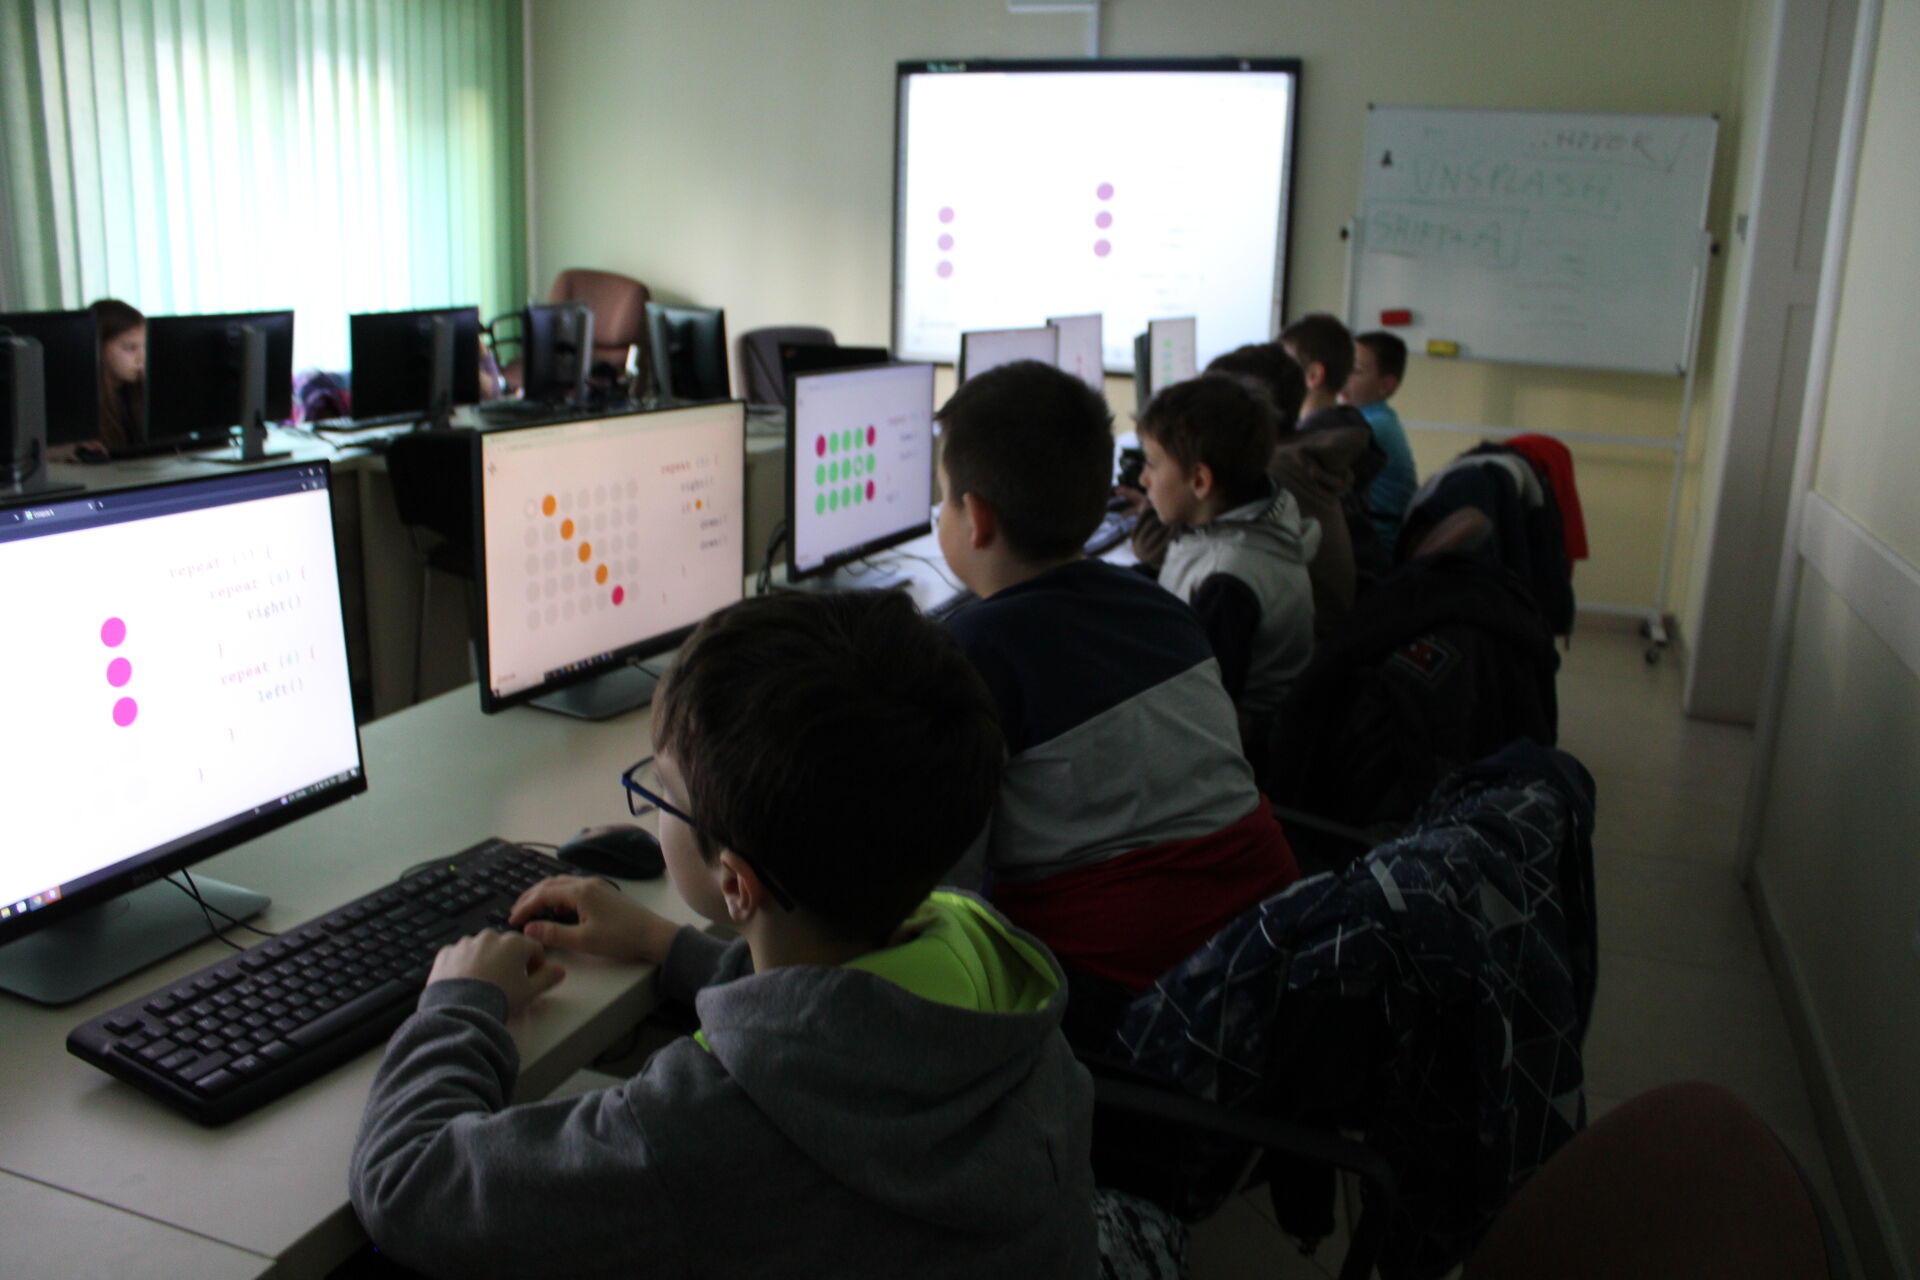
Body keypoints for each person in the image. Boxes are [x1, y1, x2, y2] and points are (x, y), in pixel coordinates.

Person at [349, 590, 1098, 1279]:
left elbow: (407, 1187)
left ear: (736, 884)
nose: (654, 807)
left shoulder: (698, 1130)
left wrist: (459, 1006)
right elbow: (849, 1023)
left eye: (662, 791)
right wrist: (668, 946)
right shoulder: (991, 963)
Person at [934, 359, 1299, 1045]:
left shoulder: (972, 654)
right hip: (1266, 948)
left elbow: (940, 898)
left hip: (1140, 1006)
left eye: (944, 498)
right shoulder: (1161, 608)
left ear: (975, 518)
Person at [1134, 373, 1318, 725]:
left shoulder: (1228, 582)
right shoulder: (1258, 515)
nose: (1143, 480)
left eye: (1152, 464)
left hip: (1241, 741)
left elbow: (1200, 709)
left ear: (1200, 481)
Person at [1280, 312, 1390, 583]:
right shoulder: (1347, 426)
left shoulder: (1311, 444)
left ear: (1314, 375)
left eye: (1282, 363)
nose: (1275, 371)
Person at [1344, 330, 1419, 550]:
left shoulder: (1372, 427)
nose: (1343, 376)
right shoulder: (1372, 418)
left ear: (1385, 386)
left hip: (1374, 547)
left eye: (1355, 371)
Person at [93, 298, 145, 451]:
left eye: (144, 346)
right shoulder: (85, 406)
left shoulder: (135, 393)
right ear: (99, 348)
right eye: (130, 348)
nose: (141, 358)